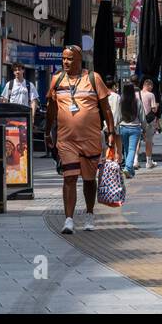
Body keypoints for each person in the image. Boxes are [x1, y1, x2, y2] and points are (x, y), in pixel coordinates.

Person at [46, 46, 119, 233]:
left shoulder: (93, 79)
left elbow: (106, 109)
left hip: (90, 139)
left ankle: (89, 213)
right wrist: (47, 132)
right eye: (63, 58)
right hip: (66, 140)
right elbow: (51, 109)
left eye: (69, 59)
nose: (65, 62)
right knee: (69, 178)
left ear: (79, 60)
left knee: (88, 179)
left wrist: (111, 132)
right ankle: (68, 219)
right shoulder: (57, 80)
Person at [117, 83, 145, 179]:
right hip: (135, 128)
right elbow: (142, 116)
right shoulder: (137, 101)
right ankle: (128, 167)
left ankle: (130, 171)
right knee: (132, 149)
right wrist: (144, 128)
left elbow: (119, 116)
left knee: (126, 148)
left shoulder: (121, 101)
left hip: (123, 127)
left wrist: (116, 125)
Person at [138, 79, 159, 169]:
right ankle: (148, 162)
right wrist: (157, 106)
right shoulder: (151, 95)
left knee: (137, 141)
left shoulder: (136, 94)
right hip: (148, 121)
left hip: (138, 120)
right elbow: (154, 109)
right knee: (148, 141)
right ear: (149, 85)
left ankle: (135, 161)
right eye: (151, 86)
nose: (152, 88)